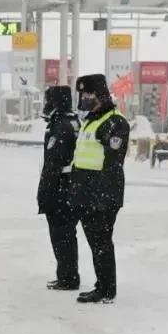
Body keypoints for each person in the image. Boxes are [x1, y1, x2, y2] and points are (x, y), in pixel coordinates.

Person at [70, 73, 129, 303]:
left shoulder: (114, 123)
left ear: (100, 95)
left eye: (88, 94)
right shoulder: (92, 120)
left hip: (102, 195)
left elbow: (113, 164)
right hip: (87, 194)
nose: (84, 98)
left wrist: (103, 198)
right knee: (96, 243)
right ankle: (101, 284)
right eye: (82, 94)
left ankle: (106, 289)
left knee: (102, 242)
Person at [37, 85, 81, 291]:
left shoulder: (61, 126)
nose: (46, 105)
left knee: (61, 234)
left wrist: (45, 192)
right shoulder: (71, 122)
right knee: (66, 234)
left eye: (49, 100)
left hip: (61, 189)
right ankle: (66, 274)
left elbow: (54, 163)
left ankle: (68, 277)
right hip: (69, 187)